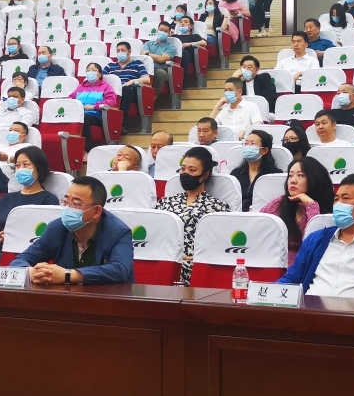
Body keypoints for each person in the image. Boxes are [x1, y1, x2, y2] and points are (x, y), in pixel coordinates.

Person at [9, 176, 134, 285]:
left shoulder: (118, 232)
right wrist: (31, 272)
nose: (68, 208)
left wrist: (68, 275)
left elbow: (120, 270)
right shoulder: (56, 228)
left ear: (96, 211)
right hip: (66, 299)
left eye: (75, 203)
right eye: (65, 201)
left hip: (109, 300)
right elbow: (19, 261)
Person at [155, 147, 230, 284]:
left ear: (205, 175)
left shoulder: (219, 207)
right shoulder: (165, 202)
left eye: (192, 170)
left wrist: (196, 257)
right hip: (166, 260)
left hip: (197, 264)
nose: (185, 173)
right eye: (183, 169)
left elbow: (221, 243)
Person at [260, 157, 332, 259]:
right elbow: (257, 230)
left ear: (315, 179)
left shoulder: (326, 213)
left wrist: (311, 205)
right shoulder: (278, 204)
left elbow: (313, 246)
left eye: (300, 175)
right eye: (290, 175)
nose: (293, 181)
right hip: (272, 261)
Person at [0, 146, 61, 227]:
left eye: (26, 164)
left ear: (39, 168)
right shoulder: (5, 199)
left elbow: (49, 228)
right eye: (18, 165)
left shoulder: (49, 200)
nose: (21, 169)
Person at [234, 130, 281, 212]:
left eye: (252, 144)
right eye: (246, 143)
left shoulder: (275, 175)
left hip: (262, 215)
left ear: (265, 150)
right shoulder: (235, 173)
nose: (248, 147)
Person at [104, 41, 152, 119]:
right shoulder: (110, 66)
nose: (120, 52)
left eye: (123, 50)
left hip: (129, 90)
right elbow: (100, 78)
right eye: (118, 51)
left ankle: (121, 121)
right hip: (114, 91)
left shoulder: (137, 64)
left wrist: (132, 81)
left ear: (129, 52)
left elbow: (147, 79)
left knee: (126, 90)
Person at [75, 62, 119, 149]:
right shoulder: (80, 87)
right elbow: (70, 99)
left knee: (84, 118)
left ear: (99, 74)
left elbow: (112, 101)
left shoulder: (106, 87)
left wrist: (94, 106)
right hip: (78, 113)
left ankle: (87, 149)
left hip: (96, 115)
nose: (90, 72)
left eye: (93, 70)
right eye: (88, 70)